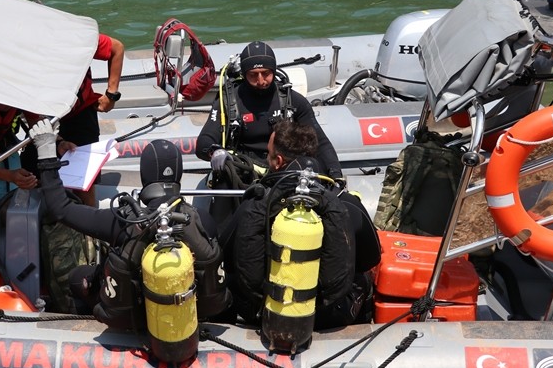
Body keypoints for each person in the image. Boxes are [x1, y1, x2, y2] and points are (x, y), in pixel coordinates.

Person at [31, 126, 230, 328]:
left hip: (133, 316)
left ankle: (78, 318)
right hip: (186, 312)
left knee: (77, 277)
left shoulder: (123, 221)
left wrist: (46, 154)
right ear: (178, 174)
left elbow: (61, 208)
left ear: (144, 175)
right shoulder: (201, 219)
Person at [218, 119, 376, 331]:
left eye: (268, 153)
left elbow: (225, 256)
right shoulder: (347, 204)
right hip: (329, 316)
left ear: (278, 161)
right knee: (364, 278)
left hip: (266, 313)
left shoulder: (253, 206)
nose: (266, 158)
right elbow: (371, 258)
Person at [195, 40, 343, 181]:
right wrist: (215, 152)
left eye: (266, 73)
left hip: (284, 168)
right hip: (243, 167)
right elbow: (205, 140)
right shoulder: (228, 101)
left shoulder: (292, 101)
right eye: (253, 75)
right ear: (244, 74)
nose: (260, 81)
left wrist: (336, 175)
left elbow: (320, 142)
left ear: (273, 70)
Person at [21, 32, 125, 206]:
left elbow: (117, 48)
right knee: (33, 170)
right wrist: (57, 141)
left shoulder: (76, 36)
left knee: (84, 178)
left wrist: (111, 94)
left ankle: (89, 222)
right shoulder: (25, 55)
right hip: (44, 114)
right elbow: (32, 116)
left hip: (80, 112)